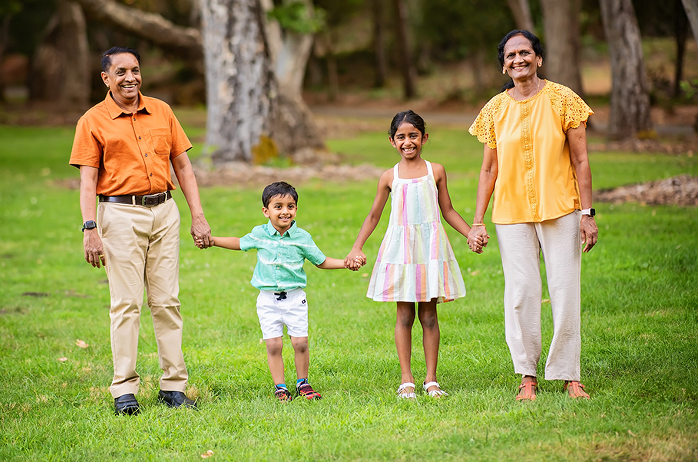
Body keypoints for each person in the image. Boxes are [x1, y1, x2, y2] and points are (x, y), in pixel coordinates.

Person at [69, 46, 212, 415]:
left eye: (135, 70)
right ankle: (124, 389)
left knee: (167, 302)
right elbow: (87, 182)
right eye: (120, 72)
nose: (130, 77)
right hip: (119, 215)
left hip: (165, 211)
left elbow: (184, 167)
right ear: (106, 78)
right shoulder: (92, 121)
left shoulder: (162, 111)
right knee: (126, 304)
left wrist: (197, 215)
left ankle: (174, 387)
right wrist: (90, 227)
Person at [468, 29, 598, 401]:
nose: (518, 60)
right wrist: (477, 220)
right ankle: (527, 374)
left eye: (525, 53)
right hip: (511, 213)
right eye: (510, 56)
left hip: (561, 209)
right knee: (522, 293)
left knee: (564, 289)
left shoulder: (563, 99)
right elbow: (488, 171)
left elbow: (581, 159)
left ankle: (569, 374)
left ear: (538, 58)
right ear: (503, 65)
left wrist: (587, 213)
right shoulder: (494, 108)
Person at [345, 111, 482, 399]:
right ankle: (406, 379)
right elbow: (373, 216)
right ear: (392, 142)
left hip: (430, 250)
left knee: (430, 315)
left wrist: (470, 232)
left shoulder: (437, 171)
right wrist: (357, 246)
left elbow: (448, 211)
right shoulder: (389, 177)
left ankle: (431, 379)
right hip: (402, 251)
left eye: (413, 136)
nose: (408, 142)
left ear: (424, 138)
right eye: (401, 137)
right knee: (405, 314)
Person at [198, 181, 354, 402]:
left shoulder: (303, 238)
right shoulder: (260, 234)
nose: (285, 211)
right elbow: (239, 242)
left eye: (290, 206)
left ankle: (303, 383)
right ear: (266, 211)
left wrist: (345, 263)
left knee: (300, 342)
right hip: (268, 300)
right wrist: (213, 241)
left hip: (295, 298)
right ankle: (280, 387)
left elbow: (321, 261)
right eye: (278, 206)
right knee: (273, 344)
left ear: (296, 210)